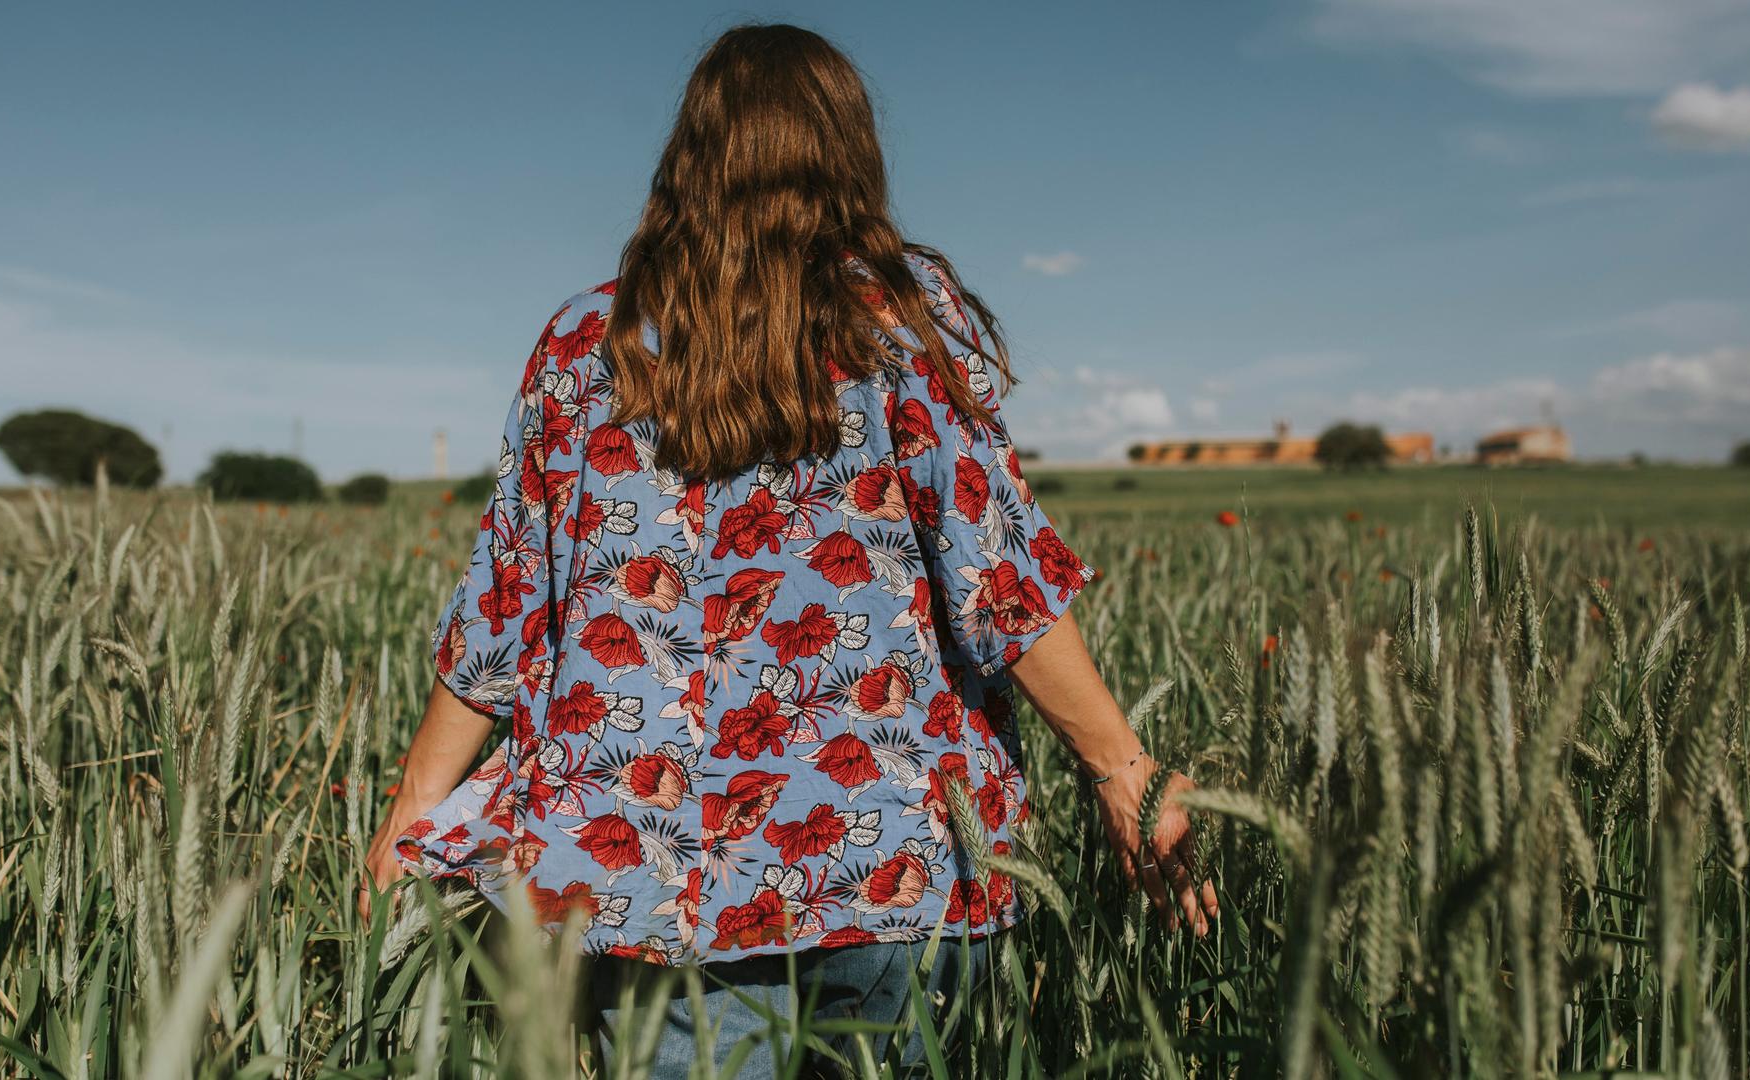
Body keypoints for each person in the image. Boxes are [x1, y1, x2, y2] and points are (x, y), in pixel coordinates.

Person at [363, 22, 1218, 1075]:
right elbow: (1002, 585)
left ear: (688, 159)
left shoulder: (590, 350)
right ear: (850, 156)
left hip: (668, 898)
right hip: (903, 866)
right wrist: (1122, 772)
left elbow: (503, 613)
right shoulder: (900, 325)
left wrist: (411, 813)